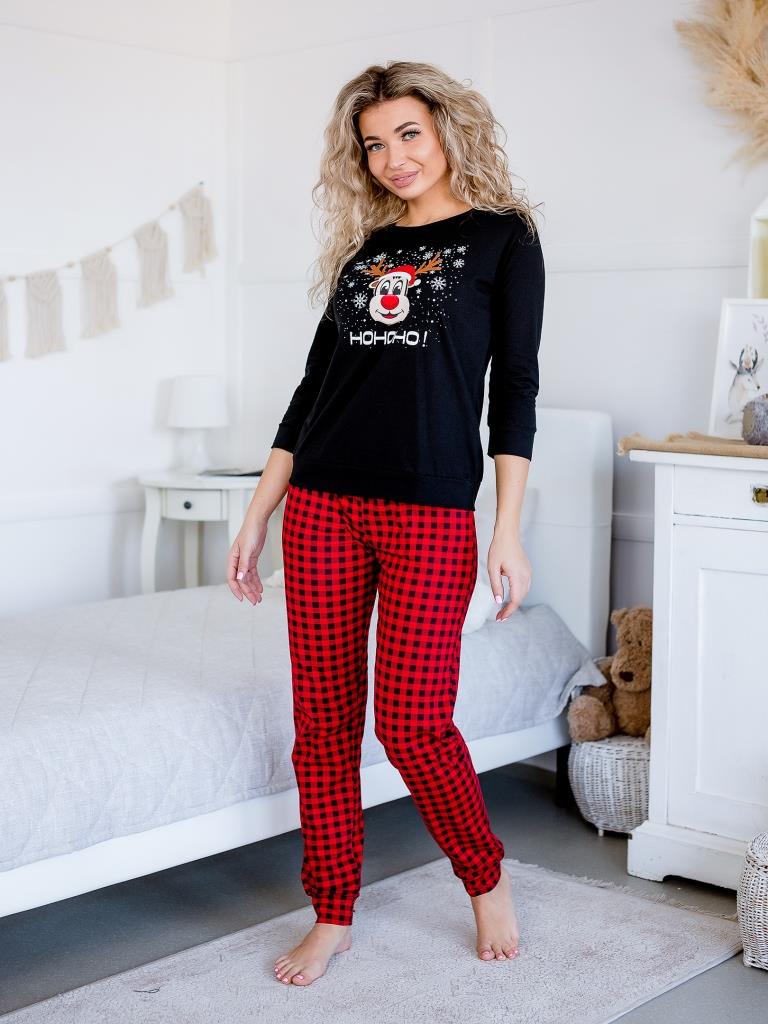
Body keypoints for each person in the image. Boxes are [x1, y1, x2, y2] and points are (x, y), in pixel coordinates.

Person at [226, 59, 545, 987]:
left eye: (408, 134)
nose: (394, 157)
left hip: (430, 511)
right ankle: (331, 912)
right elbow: (311, 392)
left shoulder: (503, 238)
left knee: (412, 723)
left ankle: (484, 878)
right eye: (374, 144)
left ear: (446, 130)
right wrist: (258, 513)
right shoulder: (366, 251)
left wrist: (507, 529)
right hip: (322, 506)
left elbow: (515, 390)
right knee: (322, 725)